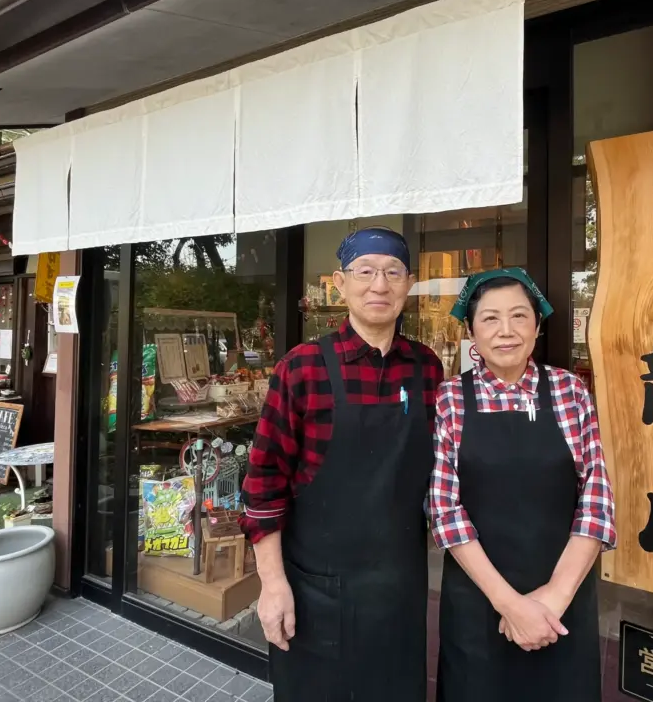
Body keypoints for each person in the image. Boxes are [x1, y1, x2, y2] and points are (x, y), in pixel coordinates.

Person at [240, 227, 444, 702]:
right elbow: (263, 484)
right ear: (340, 282)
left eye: (393, 273)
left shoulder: (427, 367)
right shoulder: (302, 368)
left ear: (408, 284)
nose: (380, 285)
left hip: (400, 590)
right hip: (316, 591)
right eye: (365, 272)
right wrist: (272, 585)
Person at [428, 268, 615, 701]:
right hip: (480, 604)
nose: (506, 331)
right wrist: (511, 605)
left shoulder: (571, 391)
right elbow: (445, 512)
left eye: (519, 316)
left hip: (562, 603)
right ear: (472, 330)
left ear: (537, 325)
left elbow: (597, 499)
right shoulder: (450, 398)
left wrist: (553, 597)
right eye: (490, 318)